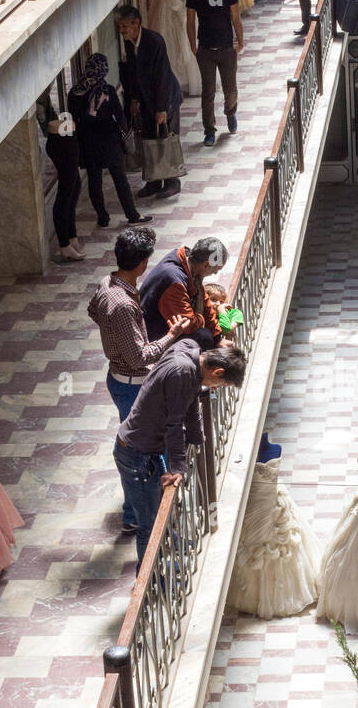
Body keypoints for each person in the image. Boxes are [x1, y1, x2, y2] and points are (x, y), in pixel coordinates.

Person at [88, 227, 192, 532]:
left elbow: (93, 310)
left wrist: (115, 338)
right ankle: (139, 513)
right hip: (131, 384)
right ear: (143, 263)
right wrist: (171, 336)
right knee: (142, 449)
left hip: (122, 379)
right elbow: (138, 357)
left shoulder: (109, 283)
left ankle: (137, 510)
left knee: (138, 445)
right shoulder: (121, 304)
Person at [115, 341, 247, 563]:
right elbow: (173, 423)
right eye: (220, 383)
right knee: (150, 525)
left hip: (144, 448)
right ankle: (151, 582)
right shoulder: (182, 372)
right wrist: (177, 467)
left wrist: (197, 437)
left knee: (157, 510)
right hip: (136, 454)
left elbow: (192, 398)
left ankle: (173, 544)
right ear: (218, 371)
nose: (216, 388)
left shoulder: (189, 350)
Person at [68, 54, 149, 228]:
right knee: (120, 180)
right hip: (109, 142)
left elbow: (72, 119)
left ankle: (103, 217)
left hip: (87, 142)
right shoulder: (108, 90)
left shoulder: (74, 93)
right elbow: (120, 117)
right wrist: (126, 138)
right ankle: (132, 215)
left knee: (94, 181)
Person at [115, 5, 184, 201]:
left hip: (165, 99)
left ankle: (172, 182)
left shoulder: (154, 41)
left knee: (165, 139)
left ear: (136, 23)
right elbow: (134, 73)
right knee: (149, 139)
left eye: (124, 27)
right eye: (119, 27)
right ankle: (154, 182)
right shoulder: (129, 43)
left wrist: (161, 108)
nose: (121, 31)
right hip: (146, 100)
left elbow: (162, 76)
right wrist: (135, 98)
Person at [186, 0, 243, 148]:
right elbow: (190, 21)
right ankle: (209, 130)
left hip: (226, 48)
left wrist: (240, 41)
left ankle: (231, 113)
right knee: (208, 91)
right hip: (206, 49)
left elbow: (236, 17)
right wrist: (193, 45)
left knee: (230, 89)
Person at [140, 236, 232, 351]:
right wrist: (200, 317)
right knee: (204, 337)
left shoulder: (190, 264)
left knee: (208, 335)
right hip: (153, 337)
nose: (213, 274)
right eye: (214, 271)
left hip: (170, 323)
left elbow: (203, 300)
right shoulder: (173, 280)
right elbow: (187, 324)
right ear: (206, 265)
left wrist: (218, 338)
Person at [36, 92, 83, 261]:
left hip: (67, 136)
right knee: (66, 193)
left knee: (75, 188)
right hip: (61, 140)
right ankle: (65, 245)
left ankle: (71, 238)